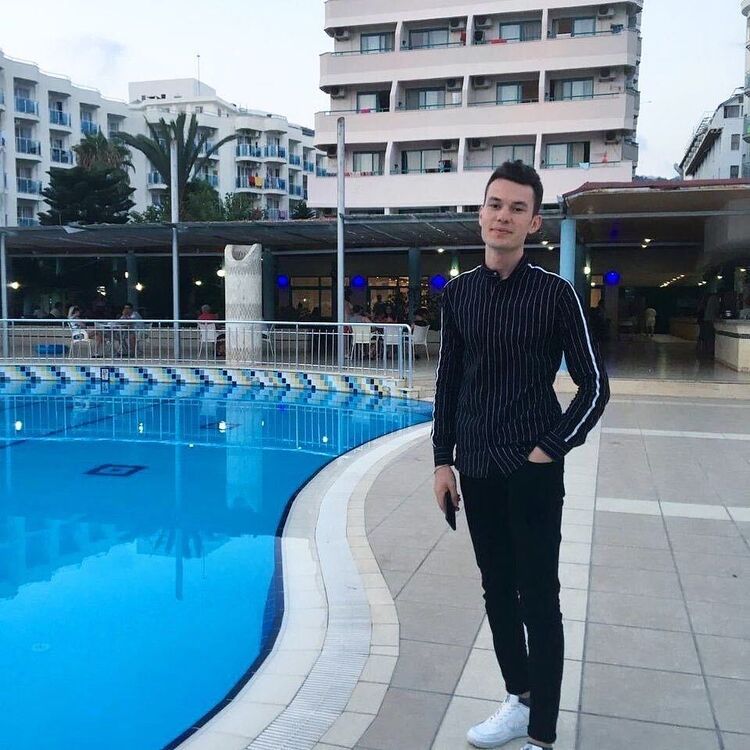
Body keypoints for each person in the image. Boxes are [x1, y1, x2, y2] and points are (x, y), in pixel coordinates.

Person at [432, 161, 609, 750]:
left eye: (516, 208)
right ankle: (519, 697)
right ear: (480, 213)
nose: (502, 216)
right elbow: (448, 383)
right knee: (496, 590)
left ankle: (542, 733)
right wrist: (442, 460)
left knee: (538, 598)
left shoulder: (555, 295)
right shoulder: (459, 294)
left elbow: (594, 386)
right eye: (494, 204)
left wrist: (548, 449)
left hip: (531, 473)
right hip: (477, 468)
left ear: (534, 222)